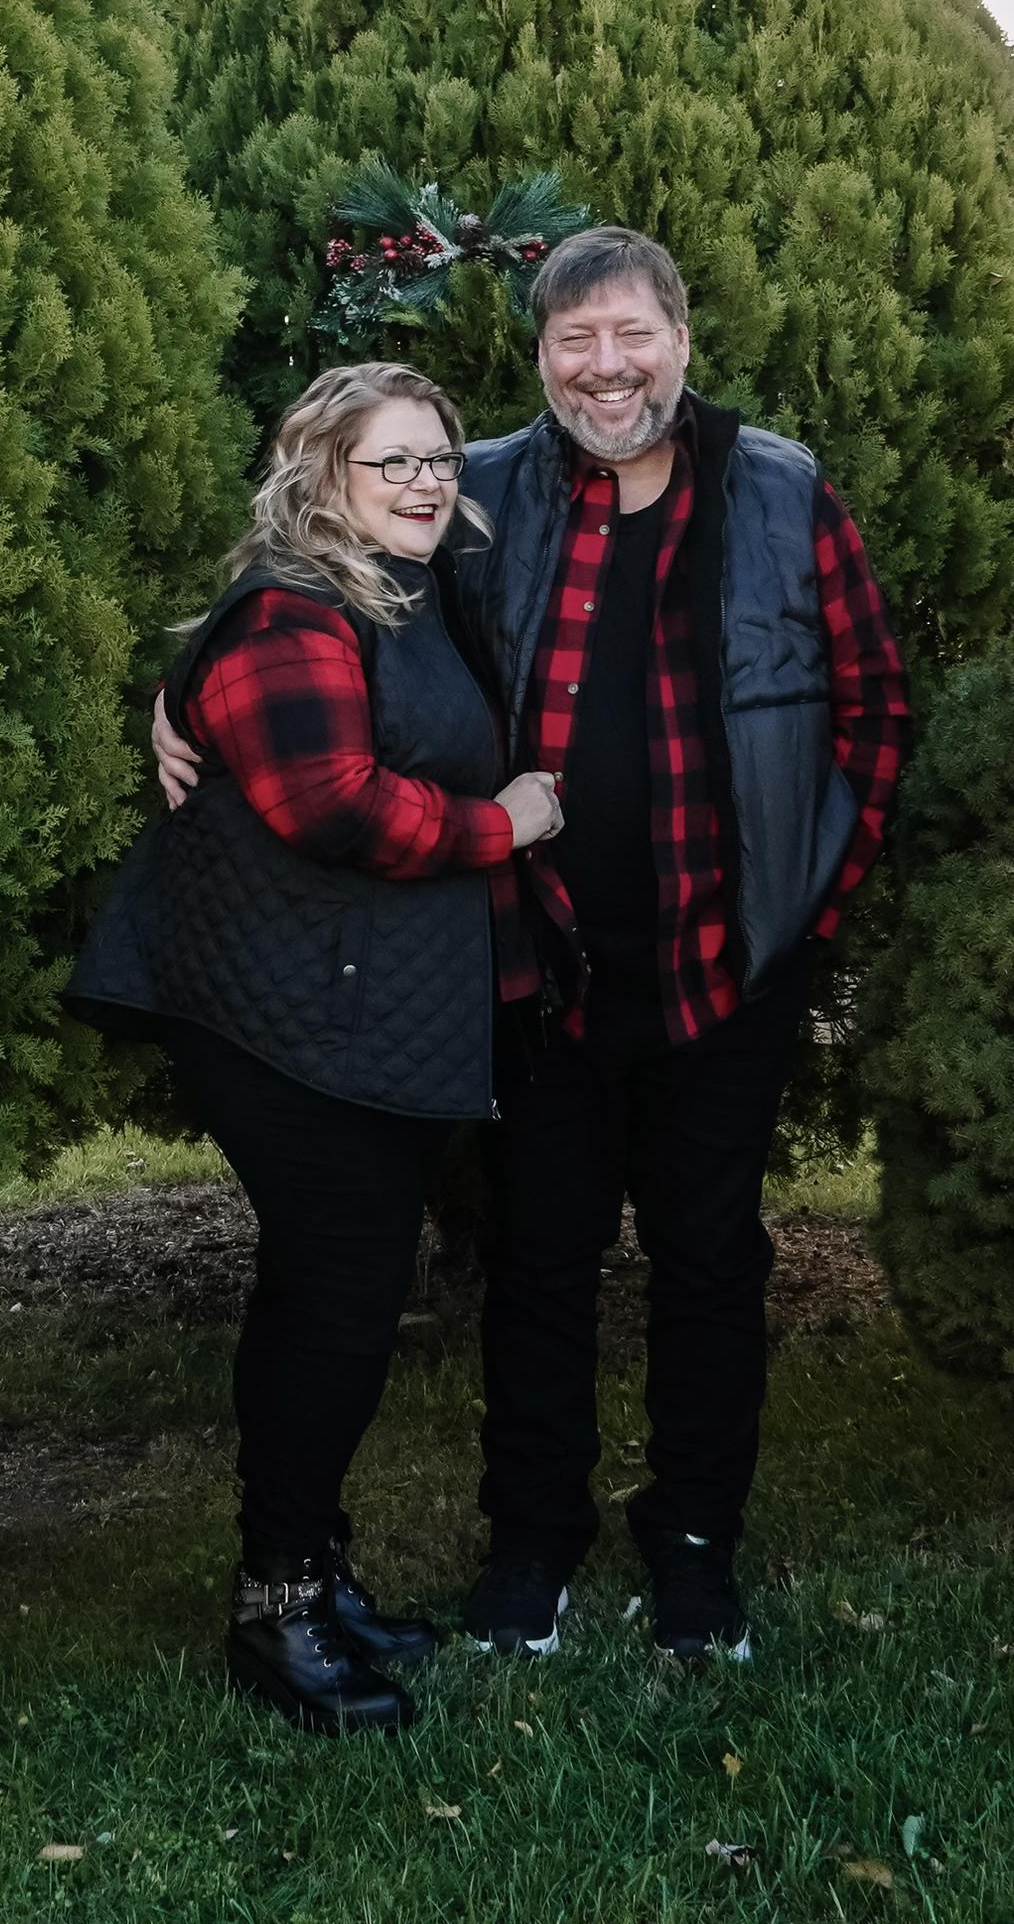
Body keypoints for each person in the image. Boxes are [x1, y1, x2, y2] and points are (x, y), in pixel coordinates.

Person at [154, 229, 911, 1665]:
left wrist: (812, 900)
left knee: (710, 1261)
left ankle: (695, 1544)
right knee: (539, 1260)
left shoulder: (779, 492)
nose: (605, 368)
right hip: (538, 961)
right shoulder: (484, 492)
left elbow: (871, 706)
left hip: (726, 964)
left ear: (679, 341)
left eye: (631, 335)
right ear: (543, 356)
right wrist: (183, 693)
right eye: (575, 340)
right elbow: (321, 606)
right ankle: (531, 1543)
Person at [67, 362, 562, 1735]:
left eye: (438, 460)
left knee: (315, 1291)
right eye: (388, 460)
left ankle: (308, 1571)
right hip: (276, 1017)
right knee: (340, 1298)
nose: (423, 483)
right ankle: (276, 1605)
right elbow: (332, 805)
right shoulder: (293, 608)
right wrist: (507, 825)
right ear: (318, 475)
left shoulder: (400, 591)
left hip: (343, 1000)